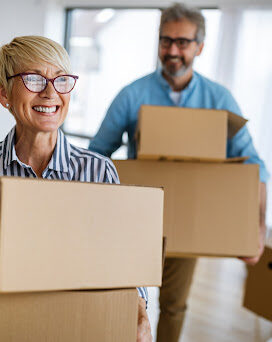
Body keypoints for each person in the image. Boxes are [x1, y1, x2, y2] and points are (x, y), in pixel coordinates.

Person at [0, 35, 152, 342]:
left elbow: (123, 260)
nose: (50, 93)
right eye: (33, 79)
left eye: (61, 80)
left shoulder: (98, 171)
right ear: (3, 93)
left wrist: (139, 310)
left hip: (76, 325)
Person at [89, 4, 269, 342]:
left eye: (183, 42)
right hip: (136, 219)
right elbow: (98, 155)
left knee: (173, 305)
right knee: (126, 302)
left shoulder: (218, 98)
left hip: (189, 223)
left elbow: (254, 165)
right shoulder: (133, 95)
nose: (173, 51)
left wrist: (256, 230)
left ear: (200, 46)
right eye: (165, 41)